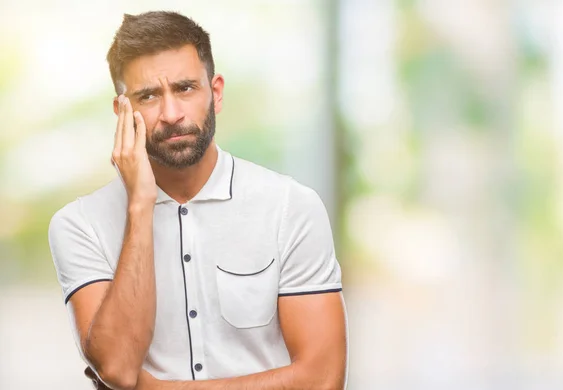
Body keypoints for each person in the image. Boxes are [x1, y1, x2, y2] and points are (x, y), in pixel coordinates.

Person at [48, 10, 348, 390]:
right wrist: (140, 204)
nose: (172, 114)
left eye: (185, 88)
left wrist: (158, 389)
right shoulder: (79, 225)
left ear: (216, 92)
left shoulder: (291, 207)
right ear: (121, 110)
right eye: (149, 96)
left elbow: (322, 379)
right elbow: (119, 370)